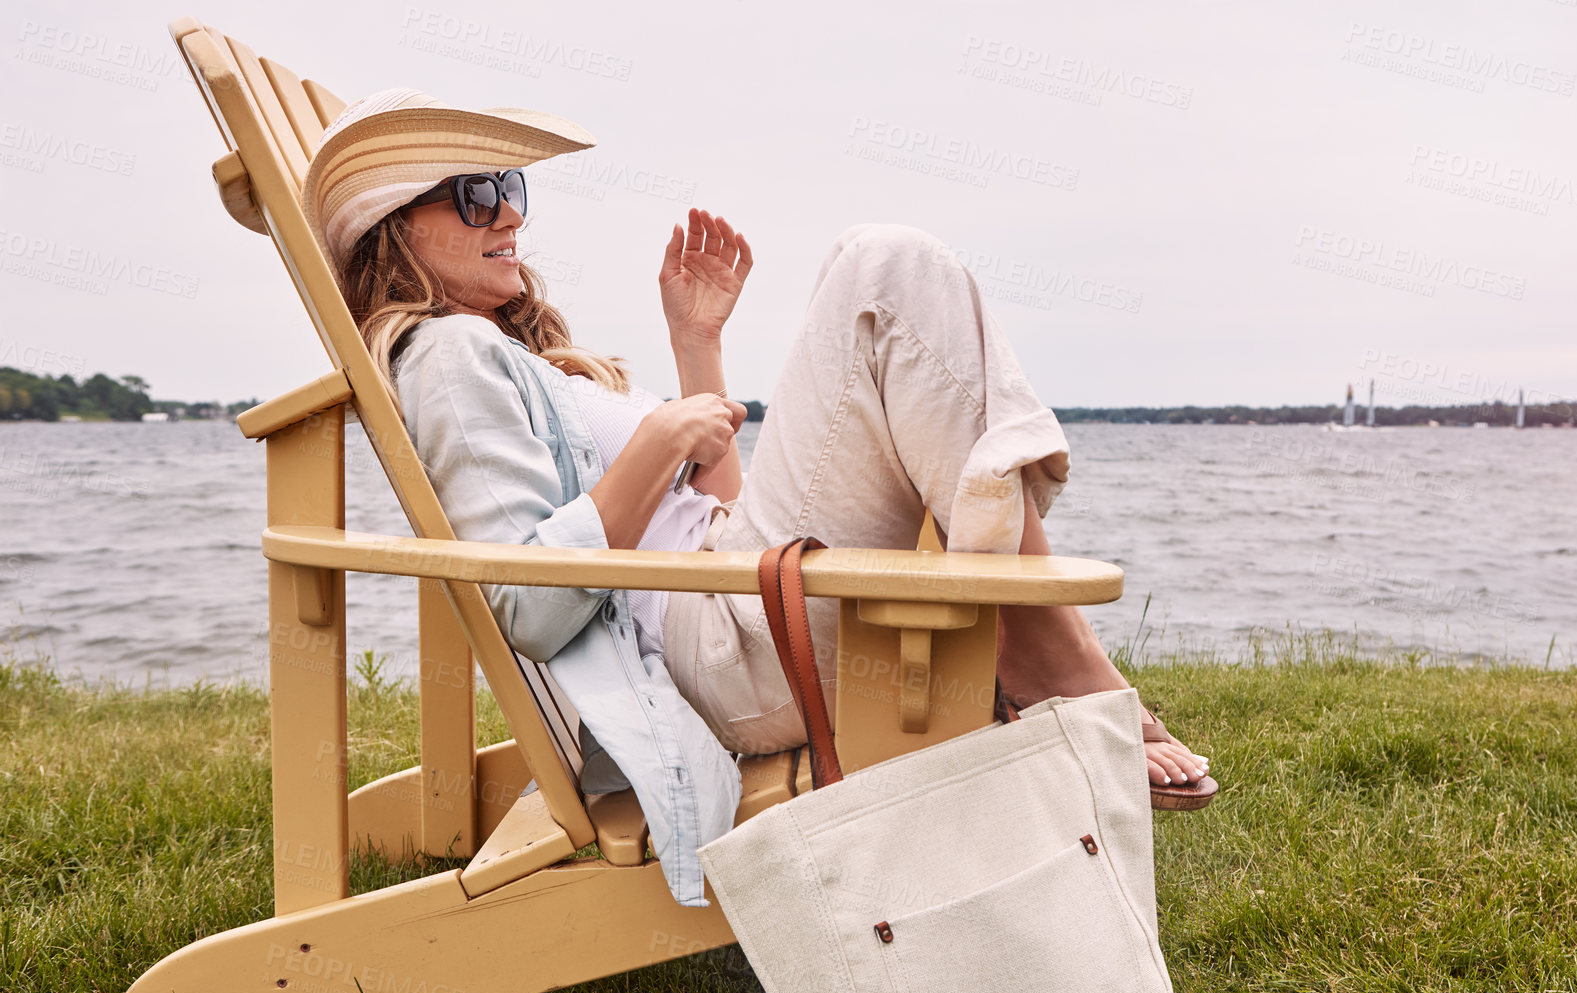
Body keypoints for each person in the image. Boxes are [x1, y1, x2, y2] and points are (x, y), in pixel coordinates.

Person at [303, 90, 1214, 906]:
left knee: (878, 265)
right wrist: (658, 440)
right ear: (396, 228)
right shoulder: (449, 357)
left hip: (733, 601)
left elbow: (715, 518)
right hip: (712, 662)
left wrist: (696, 347)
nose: (507, 211)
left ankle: (1032, 634)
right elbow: (531, 607)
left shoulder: (505, 352)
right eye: (473, 194)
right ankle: (1045, 647)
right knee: (883, 270)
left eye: (508, 186)